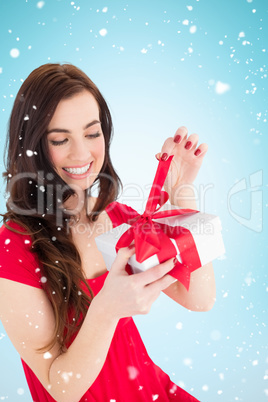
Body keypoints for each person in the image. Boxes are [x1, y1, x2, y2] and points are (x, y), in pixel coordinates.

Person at [0, 63, 215, 402]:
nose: (82, 153)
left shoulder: (120, 220)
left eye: (91, 133)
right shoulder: (14, 247)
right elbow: (61, 387)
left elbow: (199, 299)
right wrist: (106, 309)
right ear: (35, 146)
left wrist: (182, 194)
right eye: (60, 139)